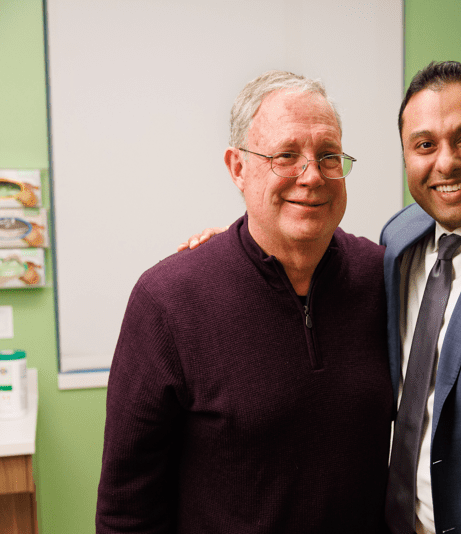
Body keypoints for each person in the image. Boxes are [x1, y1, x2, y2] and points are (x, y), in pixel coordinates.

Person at [185, 61, 461, 534]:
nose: (446, 162)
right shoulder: (400, 239)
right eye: (425, 145)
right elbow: (313, 265)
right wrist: (239, 252)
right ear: (407, 159)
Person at [96, 71, 393, 533]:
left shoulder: (384, 278)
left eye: (329, 156)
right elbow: (127, 509)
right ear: (238, 168)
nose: (313, 176)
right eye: (286, 156)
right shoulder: (168, 301)